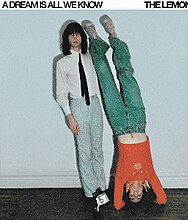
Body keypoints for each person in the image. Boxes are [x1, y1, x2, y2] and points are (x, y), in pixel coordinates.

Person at [81, 15, 167, 210]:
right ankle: (113, 36)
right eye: (139, 196)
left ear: (127, 192)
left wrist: (122, 199)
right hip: (138, 119)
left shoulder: (122, 175)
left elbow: (118, 205)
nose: (135, 194)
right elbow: (162, 198)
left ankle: (94, 39)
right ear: (144, 190)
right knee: (126, 74)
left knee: (105, 77)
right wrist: (152, 200)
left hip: (119, 123)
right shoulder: (149, 174)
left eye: (132, 197)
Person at [55, 21, 109, 211]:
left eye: (78, 34)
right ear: (66, 38)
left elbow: (104, 49)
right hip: (77, 105)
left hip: (94, 104)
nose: (75, 37)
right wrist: (69, 116)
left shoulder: (90, 57)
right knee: (84, 150)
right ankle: (90, 191)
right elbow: (61, 94)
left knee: (98, 149)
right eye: (71, 34)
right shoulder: (62, 63)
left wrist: (93, 31)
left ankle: (102, 188)